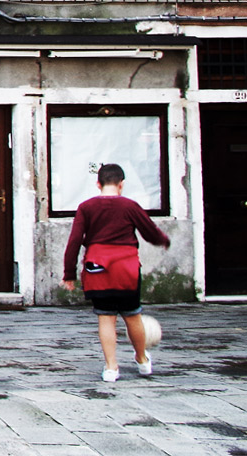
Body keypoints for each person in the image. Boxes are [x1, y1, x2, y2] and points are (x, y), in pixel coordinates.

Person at [62, 163, 171, 382]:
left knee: (106, 318)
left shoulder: (86, 207)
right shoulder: (130, 206)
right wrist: (163, 241)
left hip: (98, 269)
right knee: (133, 316)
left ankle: (111, 368)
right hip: (126, 268)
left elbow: (74, 241)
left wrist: (69, 273)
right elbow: (149, 231)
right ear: (121, 184)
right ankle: (142, 360)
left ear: (98, 183)